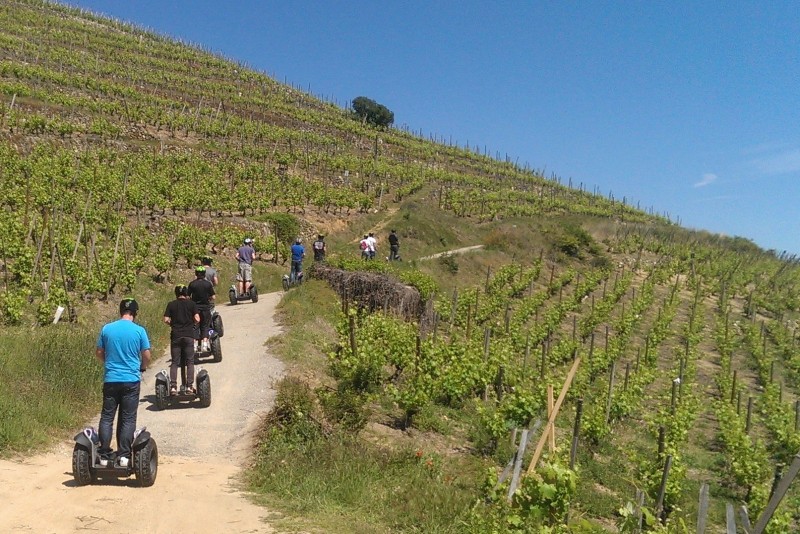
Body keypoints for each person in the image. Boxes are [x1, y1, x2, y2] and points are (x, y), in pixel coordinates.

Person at [95, 298, 151, 467]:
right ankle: (124, 456)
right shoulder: (139, 331)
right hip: (131, 381)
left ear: (120, 311)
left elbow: (99, 352)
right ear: (134, 313)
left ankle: (104, 455)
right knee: (127, 418)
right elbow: (147, 355)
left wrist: (108, 363)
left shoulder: (107, 328)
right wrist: (142, 367)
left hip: (111, 379)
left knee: (107, 417)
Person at [163, 285, 200, 395]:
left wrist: (172, 324)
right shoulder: (191, 304)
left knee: (175, 362)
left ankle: (173, 387)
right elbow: (197, 319)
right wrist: (192, 324)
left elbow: (165, 319)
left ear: (176, 293)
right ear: (186, 293)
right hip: (188, 335)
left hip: (176, 336)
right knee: (190, 361)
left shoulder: (171, 304)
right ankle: (189, 386)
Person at [188, 265, 215, 353]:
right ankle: (204, 344)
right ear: (204, 274)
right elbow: (213, 297)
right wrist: (209, 298)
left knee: (195, 326)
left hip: (195, 309)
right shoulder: (208, 284)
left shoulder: (192, 284)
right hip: (205, 308)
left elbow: (188, 296)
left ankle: (195, 346)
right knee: (205, 326)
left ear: (196, 274)